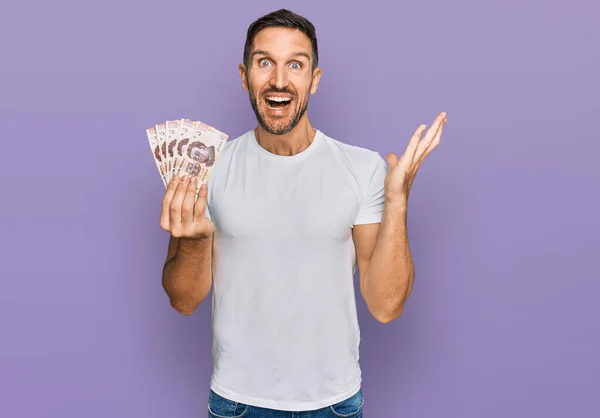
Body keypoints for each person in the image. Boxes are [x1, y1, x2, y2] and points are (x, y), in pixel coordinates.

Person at [158, 8, 447, 418]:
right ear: (244, 76)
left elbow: (386, 306)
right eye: (264, 63)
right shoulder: (207, 168)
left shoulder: (362, 169)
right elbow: (183, 301)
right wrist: (196, 239)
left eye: (296, 64)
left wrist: (397, 201)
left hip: (335, 404)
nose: (279, 80)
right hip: (237, 403)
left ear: (315, 79)